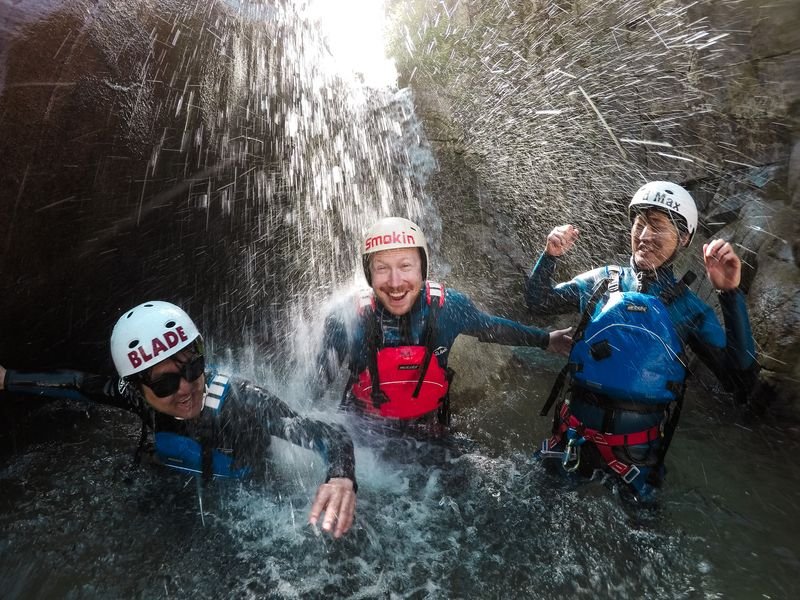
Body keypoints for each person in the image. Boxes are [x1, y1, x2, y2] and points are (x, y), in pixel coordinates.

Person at [0, 301, 357, 538]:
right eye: (166, 382)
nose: (186, 388)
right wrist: (7, 380)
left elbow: (328, 434)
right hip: (175, 486)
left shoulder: (242, 402)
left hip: (249, 498)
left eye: (193, 368)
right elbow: (78, 385)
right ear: (137, 387)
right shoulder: (133, 395)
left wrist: (340, 475)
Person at [525, 180, 759, 501]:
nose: (645, 236)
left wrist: (730, 294)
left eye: (658, 227)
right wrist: (549, 256)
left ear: (685, 238)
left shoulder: (689, 310)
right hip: (573, 438)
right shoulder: (600, 282)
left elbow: (741, 380)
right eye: (640, 223)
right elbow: (537, 302)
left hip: (634, 458)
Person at [315, 216, 573, 436]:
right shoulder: (346, 318)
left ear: (422, 269)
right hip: (362, 433)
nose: (395, 282)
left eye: (406, 266)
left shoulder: (448, 308)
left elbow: (492, 328)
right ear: (369, 274)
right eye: (382, 268)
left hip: (428, 430)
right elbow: (316, 388)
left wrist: (546, 340)